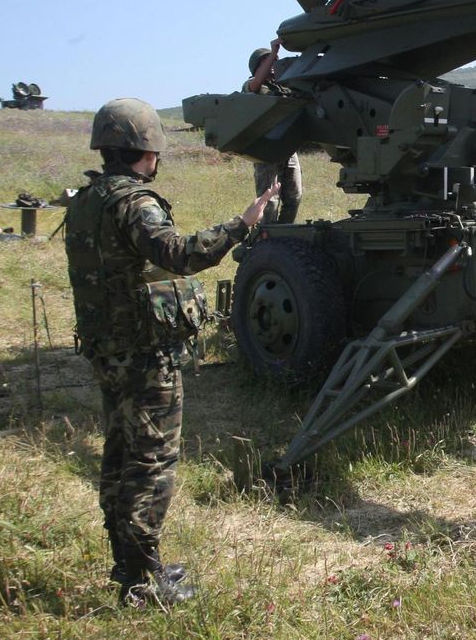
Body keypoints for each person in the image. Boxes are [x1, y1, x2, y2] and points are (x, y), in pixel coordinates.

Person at [64, 97, 277, 605]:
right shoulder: (135, 202)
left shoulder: (87, 199)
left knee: (120, 455)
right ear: (147, 149)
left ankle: (132, 562)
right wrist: (241, 223)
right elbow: (179, 255)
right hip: (142, 352)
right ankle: (141, 582)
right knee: (150, 461)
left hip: (106, 347)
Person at [243, 41, 302, 225]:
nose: (273, 64)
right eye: (267, 61)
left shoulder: (284, 86)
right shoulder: (252, 87)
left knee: (294, 196)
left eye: (275, 60)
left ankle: (283, 234)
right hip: (265, 150)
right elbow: (255, 85)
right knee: (269, 201)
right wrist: (274, 52)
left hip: (288, 147)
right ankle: (265, 240)